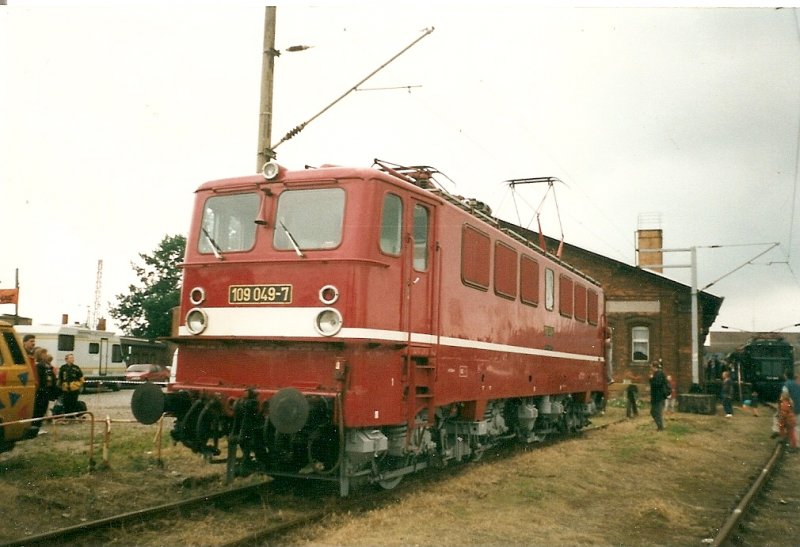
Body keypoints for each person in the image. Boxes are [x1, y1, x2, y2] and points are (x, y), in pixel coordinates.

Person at [32, 347, 58, 434]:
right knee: (38, 410)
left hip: (47, 390)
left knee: (43, 409)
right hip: (41, 391)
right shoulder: (38, 366)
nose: (46, 355)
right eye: (44, 353)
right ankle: (36, 428)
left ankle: (38, 427)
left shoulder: (47, 365)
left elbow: (51, 377)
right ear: (40, 355)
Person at [649, 363, 668, 431]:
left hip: (658, 397)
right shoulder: (658, 374)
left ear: (654, 367)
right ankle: (660, 426)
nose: (651, 369)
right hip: (657, 396)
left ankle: (661, 427)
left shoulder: (659, 374)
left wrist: (651, 379)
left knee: (656, 412)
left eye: (651, 367)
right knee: (654, 412)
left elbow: (657, 384)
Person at [783, 370, 800, 445]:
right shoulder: (797, 382)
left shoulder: (786, 384)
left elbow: (785, 396)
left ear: (786, 375)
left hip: (792, 408)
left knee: (791, 426)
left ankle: (794, 445)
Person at [778, 387, 798, 451]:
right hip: (790, 419)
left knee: (791, 433)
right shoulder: (789, 401)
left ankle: (793, 447)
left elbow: (784, 412)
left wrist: (781, 419)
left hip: (789, 420)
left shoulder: (785, 403)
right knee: (791, 433)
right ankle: (792, 445)